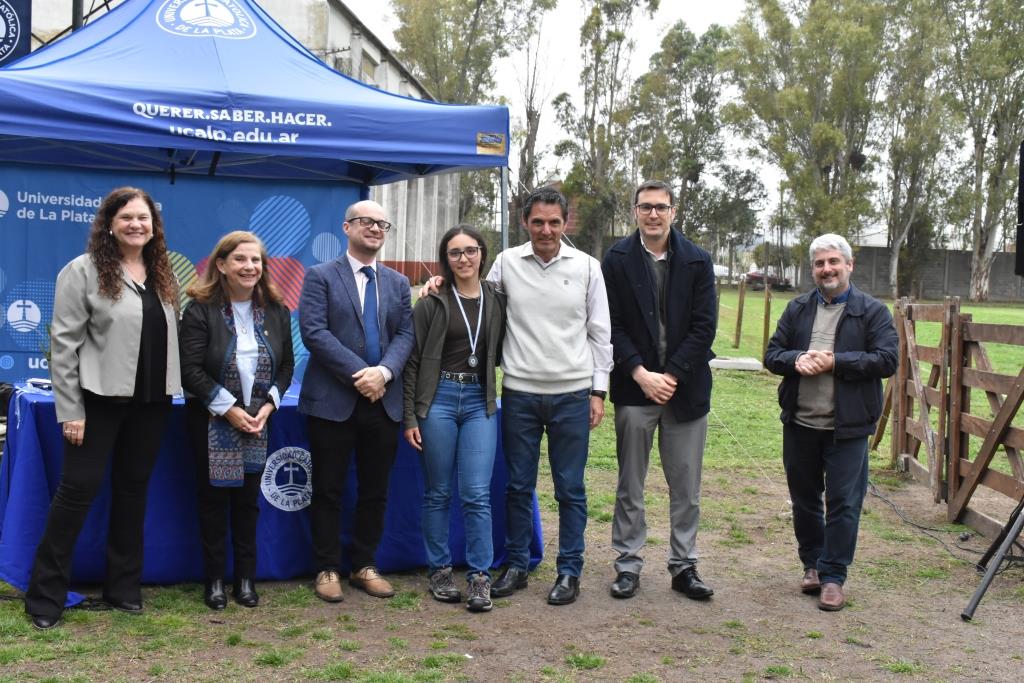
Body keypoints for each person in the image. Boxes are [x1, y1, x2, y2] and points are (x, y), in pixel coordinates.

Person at [425, 186, 613, 605]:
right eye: (538, 222)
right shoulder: (507, 263)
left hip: (572, 394)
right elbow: (472, 295)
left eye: (554, 222)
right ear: (525, 223)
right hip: (519, 394)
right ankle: (516, 565)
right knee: (518, 486)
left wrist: (598, 391)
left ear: (567, 224)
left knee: (570, 489)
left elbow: (601, 335)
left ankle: (569, 570)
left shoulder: (587, 267)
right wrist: (438, 282)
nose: (546, 230)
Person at [25, 187, 181, 630]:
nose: (137, 225)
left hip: (152, 403)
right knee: (76, 494)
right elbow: (64, 345)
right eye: (127, 217)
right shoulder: (83, 270)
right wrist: (71, 409)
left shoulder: (160, 272)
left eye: (144, 218)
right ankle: (45, 597)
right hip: (97, 403)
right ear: (109, 223)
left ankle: (123, 588)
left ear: (154, 226)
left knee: (133, 494)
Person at [764, 233, 897, 611]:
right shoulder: (798, 309)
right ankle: (812, 565)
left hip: (848, 427)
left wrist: (836, 362)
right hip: (801, 423)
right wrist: (796, 359)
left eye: (834, 262)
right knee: (804, 500)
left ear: (849, 266)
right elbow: (772, 354)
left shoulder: (872, 311)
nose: (827, 269)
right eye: (820, 263)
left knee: (843, 502)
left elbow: (887, 359)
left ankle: (834, 576)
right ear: (813, 270)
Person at [601, 180, 718, 601]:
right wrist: (639, 372)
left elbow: (705, 326)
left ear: (674, 211)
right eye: (645, 207)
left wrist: (672, 375)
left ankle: (684, 565)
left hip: (686, 392)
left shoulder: (698, 261)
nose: (653, 214)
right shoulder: (615, 260)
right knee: (630, 482)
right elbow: (609, 324)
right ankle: (628, 564)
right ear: (635, 211)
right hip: (634, 390)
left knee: (686, 485)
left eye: (661, 207)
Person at [299, 199, 414, 603]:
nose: (376, 229)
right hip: (334, 401)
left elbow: (406, 336)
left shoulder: (398, 283)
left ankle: (364, 565)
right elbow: (314, 333)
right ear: (347, 227)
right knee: (328, 489)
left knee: (375, 490)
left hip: (383, 401)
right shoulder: (320, 277)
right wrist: (361, 375)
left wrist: (382, 373)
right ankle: (327, 568)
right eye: (367, 222)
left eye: (384, 224)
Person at [179, 231, 294, 610]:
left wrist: (268, 407)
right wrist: (228, 409)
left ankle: (245, 579)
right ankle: (214, 580)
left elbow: (287, 367)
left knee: (248, 504)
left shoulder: (276, 310)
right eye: (241, 260)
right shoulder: (199, 309)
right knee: (212, 503)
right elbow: (190, 369)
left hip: (258, 422)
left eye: (256, 260)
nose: (249, 267)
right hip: (211, 421)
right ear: (222, 265)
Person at [403, 225, 507, 613]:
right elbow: (411, 363)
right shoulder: (431, 301)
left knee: (476, 493)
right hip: (440, 399)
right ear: (445, 259)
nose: (464, 258)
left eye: (470, 250)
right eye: (454, 253)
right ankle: (440, 569)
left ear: (483, 253)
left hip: (481, 400)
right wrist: (410, 416)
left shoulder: (498, 299)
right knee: (439, 492)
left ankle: (480, 577)